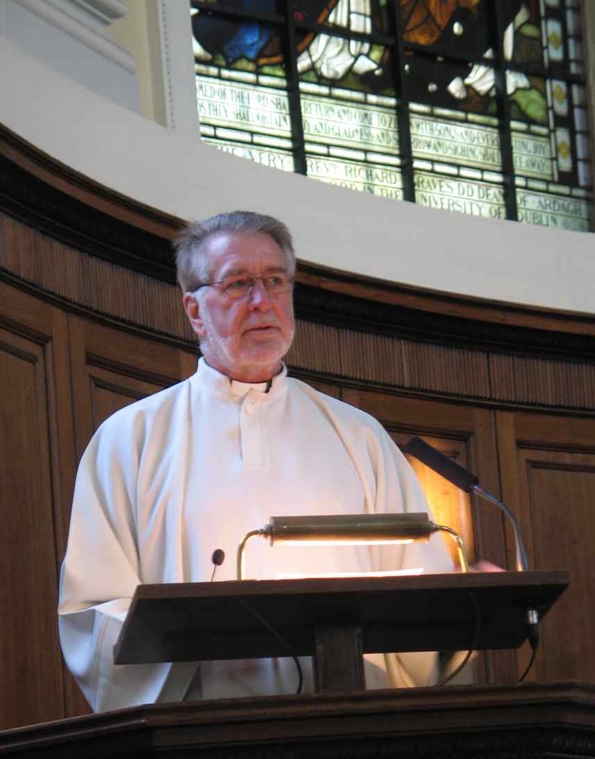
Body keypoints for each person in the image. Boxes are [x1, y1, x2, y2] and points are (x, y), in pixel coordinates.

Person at [58, 210, 454, 713]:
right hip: (202, 734)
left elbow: (419, 588)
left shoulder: (359, 436)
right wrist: (202, 637)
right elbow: (94, 610)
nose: (262, 301)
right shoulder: (130, 439)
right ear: (195, 311)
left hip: (352, 726)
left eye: (275, 281)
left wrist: (458, 610)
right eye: (238, 283)